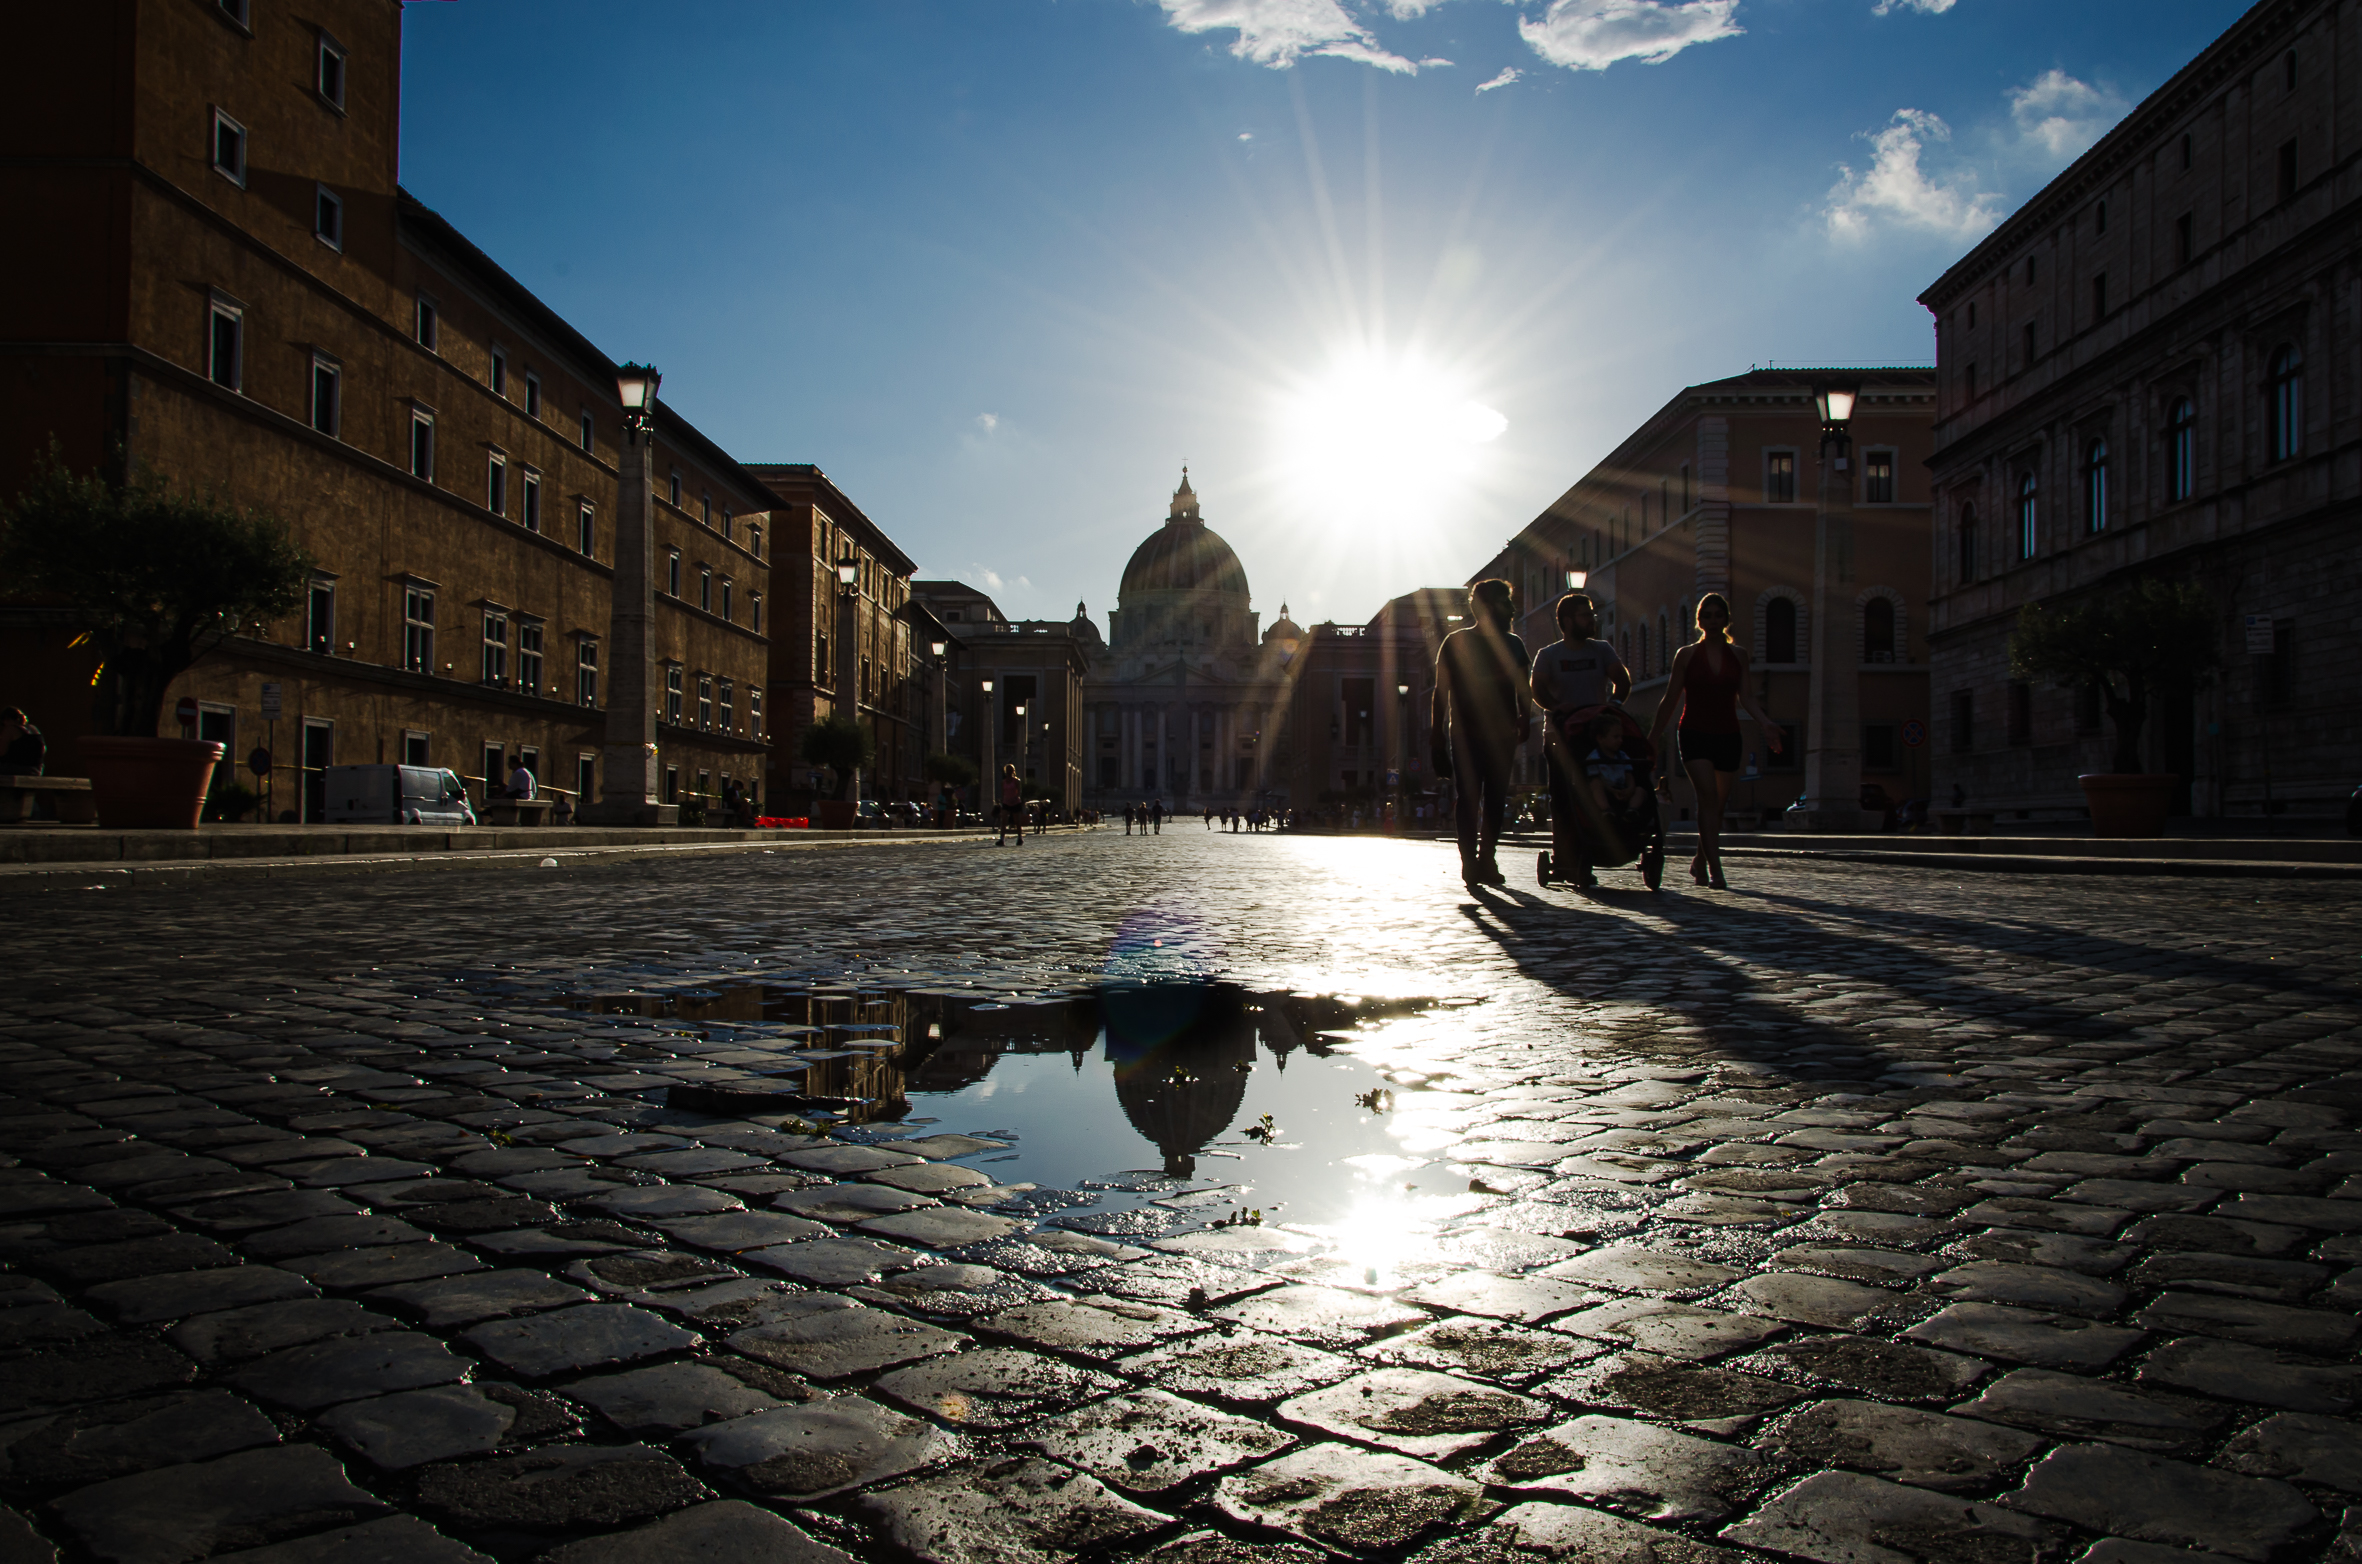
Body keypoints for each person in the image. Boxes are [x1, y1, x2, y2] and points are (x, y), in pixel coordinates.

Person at [1647, 592, 1782, 890]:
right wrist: (1654, 737)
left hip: (1728, 735)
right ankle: (1715, 869)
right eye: (1707, 615)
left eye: (1718, 615)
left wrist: (1766, 722)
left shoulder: (1739, 655)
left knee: (1717, 807)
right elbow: (1670, 698)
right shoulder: (1686, 655)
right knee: (1707, 799)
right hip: (1694, 734)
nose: (1712, 620)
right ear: (1699, 620)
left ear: (1726, 620)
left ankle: (1699, 860)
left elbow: (1746, 697)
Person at [1431, 579, 1532, 888]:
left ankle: (1487, 857)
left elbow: (1523, 687)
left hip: (1502, 734)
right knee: (1469, 796)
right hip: (1465, 734)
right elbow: (1441, 691)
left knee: (1496, 797)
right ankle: (1469, 860)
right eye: (1505, 602)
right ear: (1486, 607)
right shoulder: (1456, 642)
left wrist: (1525, 717)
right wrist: (1436, 736)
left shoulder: (1514, 644)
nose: (1512, 608)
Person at [1530, 591, 1632, 890]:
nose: (1592, 620)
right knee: (1563, 798)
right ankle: (1564, 857)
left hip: (1595, 737)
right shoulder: (1549, 655)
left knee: (1592, 793)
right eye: (1586, 615)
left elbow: (1621, 679)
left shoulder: (1602, 650)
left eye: (1592, 614)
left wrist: (1615, 704)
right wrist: (1556, 707)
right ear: (1566, 621)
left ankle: (1589, 852)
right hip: (1559, 735)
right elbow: (1537, 689)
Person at [1583, 713, 1643, 815]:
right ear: (1600, 738)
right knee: (1595, 785)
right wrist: (1612, 791)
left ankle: (1632, 810)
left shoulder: (1623, 756)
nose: (1620, 740)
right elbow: (1596, 779)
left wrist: (1630, 788)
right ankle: (1606, 810)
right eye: (1616, 737)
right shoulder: (1593, 758)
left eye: (1621, 737)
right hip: (1606, 791)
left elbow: (1628, 775)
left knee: (1640, 790)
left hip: (1623, 790)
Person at [0, 710, 44, 775]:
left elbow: (1, 752)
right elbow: (44, 749)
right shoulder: (33, 729)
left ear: (6, 719)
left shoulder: (11, 729)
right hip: (36, 770)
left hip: (17, 769)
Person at [995, 763, 1024, 845]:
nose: (1009, 772)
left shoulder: (1016, 781)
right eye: (1007, 770)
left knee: (1017, 822)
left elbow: (1019, 792)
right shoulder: (1003, 782)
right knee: (1003, 821)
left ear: (1013, 771)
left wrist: (1014, 798)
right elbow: (1003, 792)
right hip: (1006, 802)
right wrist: (1002, 801)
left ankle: (1020, 838)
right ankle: (1002, 839)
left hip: (1015, 802)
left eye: (1010, 770)